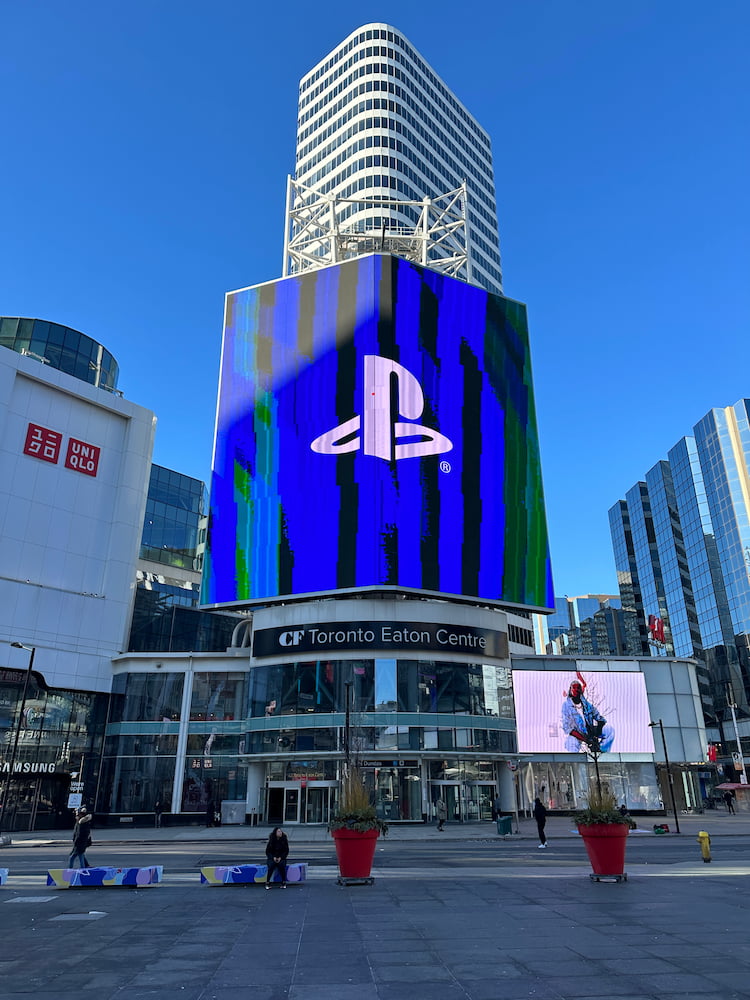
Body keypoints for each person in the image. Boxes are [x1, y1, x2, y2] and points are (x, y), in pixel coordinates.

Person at [561, 677, 615, 753]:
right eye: (574, 688)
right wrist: (587, 740)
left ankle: (601, 753)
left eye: (578, 688)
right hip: (578, 733)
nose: (576, 690)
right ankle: (577, 762)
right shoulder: (566, 706)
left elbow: (599, 717)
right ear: (570, 690)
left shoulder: (587, 704)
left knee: (610, 730)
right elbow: (568, 728)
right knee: (570, 743)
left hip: (590, 731)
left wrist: (595, 735)